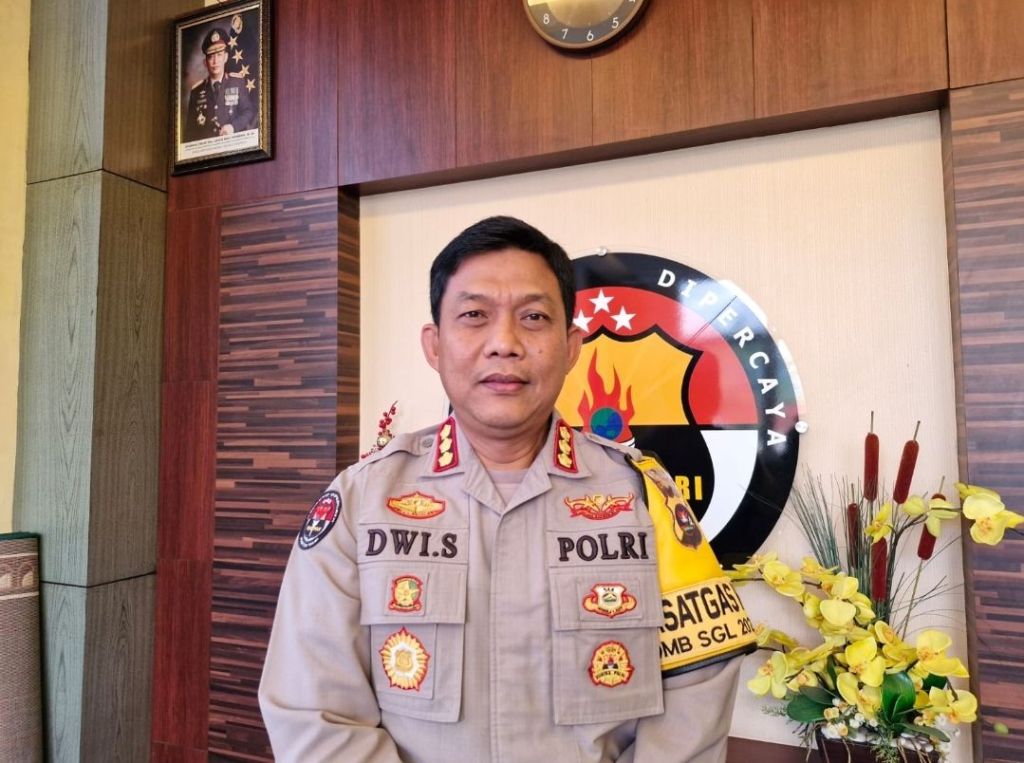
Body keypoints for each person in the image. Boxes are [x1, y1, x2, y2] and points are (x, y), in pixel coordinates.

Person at [259, 216, 754, 762]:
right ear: (434, 345)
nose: (504, 343)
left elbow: (698, 690)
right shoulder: (362, 501)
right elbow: (315, 712)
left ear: (571, 346)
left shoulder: (644, 495)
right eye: (474, 315)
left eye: (533, 317)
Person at [184, 27, 255, 142]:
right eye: (211, 56)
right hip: (206, 148)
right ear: (205, 62)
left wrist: (233, 127)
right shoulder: (196, 91)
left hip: (232, 144)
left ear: (225, 57)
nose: (215, 61)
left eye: (219, 55)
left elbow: (248, 111)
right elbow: (190, 131)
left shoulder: (237, 82)